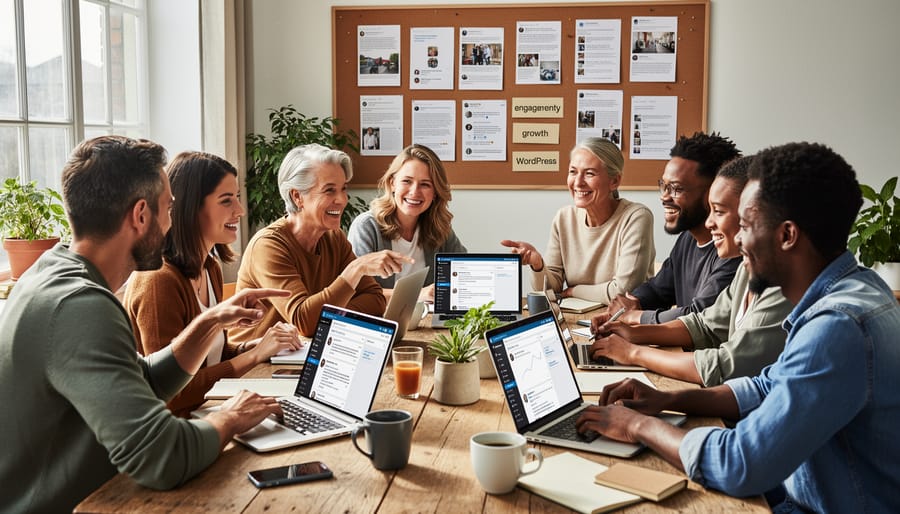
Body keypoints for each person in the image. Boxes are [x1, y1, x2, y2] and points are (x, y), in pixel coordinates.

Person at [576, 142, 900, 513]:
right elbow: (767, 385)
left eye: (745, 225)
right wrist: (669, 399)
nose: (737, 237)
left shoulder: (838, 328)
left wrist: (638, 427)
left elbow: (739, 464)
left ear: (787, 235)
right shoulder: (858, 289)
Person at [0, 136, 289, 512]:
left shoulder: (53, 272)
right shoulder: (80, 306)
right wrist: (231, 418)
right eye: (168, 208)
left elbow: (144, 381)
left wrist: (209, 322)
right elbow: (162, 457)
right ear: (140, 215)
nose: (171, 221)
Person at [125, 152, 303, 417]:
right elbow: (172, 394)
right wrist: (252, 357)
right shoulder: (158, 280)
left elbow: (211, 357)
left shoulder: (209, 268)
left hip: (208, 412)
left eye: (238, 199)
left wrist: (256, 346)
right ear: (191, 207)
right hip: (174, 428)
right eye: (226, 200)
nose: (240, 211)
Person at [588, 156, 792, 386]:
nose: (709, 222)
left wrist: (633, 352)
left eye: (719, 211)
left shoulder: (781, 285)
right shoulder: (748, 269)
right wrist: (633, 333)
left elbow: (727, 366)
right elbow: (704, 324)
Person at [229, 143, 409, 340]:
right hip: (255, 364)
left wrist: (326, 316)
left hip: (303, 352)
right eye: (329, 190)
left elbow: (375, 300)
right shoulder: (268, 246)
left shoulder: (333, 237)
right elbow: (304, 322)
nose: (342, 199)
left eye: (343, 189)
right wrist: (355, 269)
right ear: (297, 196)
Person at [600, 132, 742, 326]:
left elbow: (699, 316)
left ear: (714, 192)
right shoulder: (687, 238)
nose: (664, 197)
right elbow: (659, 289)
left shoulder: (734, 251)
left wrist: (637, 317)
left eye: (676, 188)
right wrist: (629, 304)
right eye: (663, 186)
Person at [501, 137, 655, 304]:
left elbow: (624, 291)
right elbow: (552, 291)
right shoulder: (564, 219)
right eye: (573, 172)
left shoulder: (636, 217)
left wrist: (574, 291)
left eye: (589, 173)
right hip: (576, 321)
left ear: (614, 181)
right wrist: (537, 264)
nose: (578, 182)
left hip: (624, 323)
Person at [347, 144, 467, 297]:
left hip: (424, 320)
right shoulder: (366, 226)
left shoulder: (439, 228)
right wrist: (417, 295)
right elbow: (356, 292)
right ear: (392, 183)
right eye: (407, 181)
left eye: (425, 184)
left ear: (435, 192)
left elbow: (465, 272)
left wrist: (507, 262)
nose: (414, 192)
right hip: (379, 319)